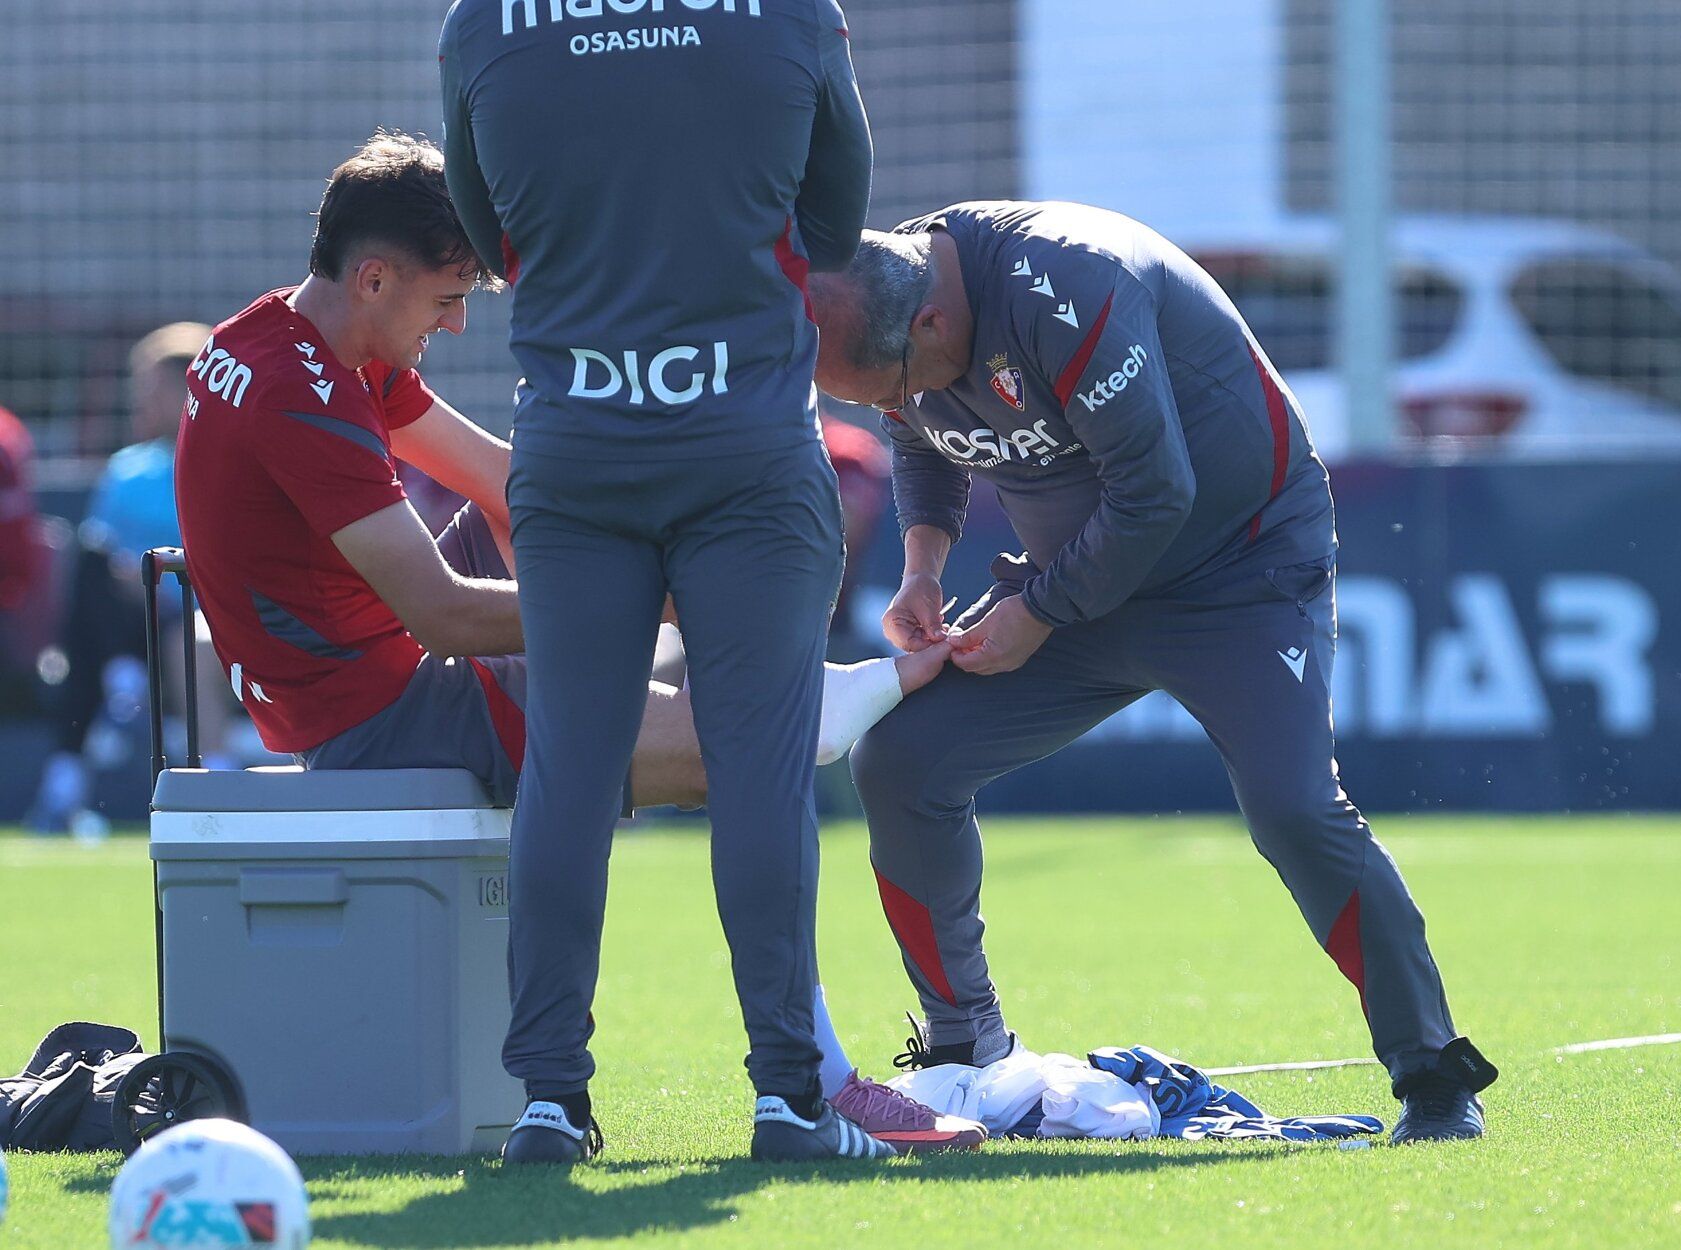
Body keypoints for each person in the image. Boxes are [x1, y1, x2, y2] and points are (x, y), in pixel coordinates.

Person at [174, 134, 981, 1160]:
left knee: (571, 542)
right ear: (375, 275)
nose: (459, 320)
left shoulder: (292, 337)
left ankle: (776, 687)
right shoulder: (304, 392)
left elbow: (506, 479)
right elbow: (443, 617)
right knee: (742, 747)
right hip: (379, 707)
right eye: (447, 295)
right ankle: (817, 1076)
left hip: (369, 659)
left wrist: (668, 554)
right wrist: (659, 596)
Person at [808, 202, 1500, 1145]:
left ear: (932, 324)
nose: (891, 410)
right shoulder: (895, 287)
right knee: (901, 758)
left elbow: (1156, 492)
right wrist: (923, 568)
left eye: (890, 387)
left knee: (1294, 809)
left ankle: (1432, 1074)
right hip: (1080, 584)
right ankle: (965, 1047)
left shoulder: (1069, 285)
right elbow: (921, 434)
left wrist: (1039, 613)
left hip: (1237, 576)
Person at [439, 0, 882, 1162]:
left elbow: (488, 244)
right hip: (747, 443)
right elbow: (833, 221)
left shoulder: (483, 21)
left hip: (575, 448)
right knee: (759, 769)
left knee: (570, 770)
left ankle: (546, 1097)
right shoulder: (790, 12)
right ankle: (788, 1095)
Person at [28, 324, 211, 836]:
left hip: (200, 613)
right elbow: (104, 558)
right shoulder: (126, 468)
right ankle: (121, 671)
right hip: (131, 611)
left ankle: (121, 679)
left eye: (151, 389)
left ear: (185, 391)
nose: (139, 403)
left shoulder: (222, 463)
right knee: (87, 559)